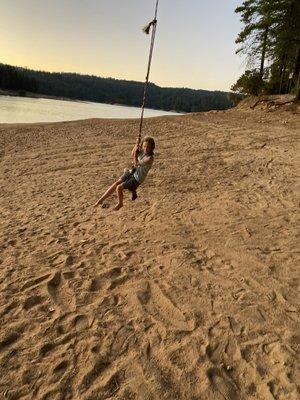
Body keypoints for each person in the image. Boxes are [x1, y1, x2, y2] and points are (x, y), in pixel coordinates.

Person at [94, 136, 155, 211]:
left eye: (148, 147)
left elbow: (136, 163)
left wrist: (135, 155)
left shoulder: (150, 158)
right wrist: (136, 145)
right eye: (144, 146)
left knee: (119, 188)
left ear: (152, 148)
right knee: (117, 182)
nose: (146, 148)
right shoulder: (142, 150)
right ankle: (101, 200)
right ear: (142, 145)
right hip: (132, 171)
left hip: (137, 179)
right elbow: (132, 154)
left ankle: (120, 203)